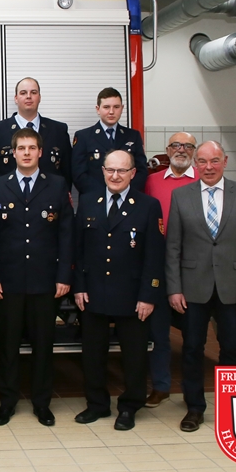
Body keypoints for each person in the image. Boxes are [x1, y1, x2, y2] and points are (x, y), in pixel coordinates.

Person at [166, 141, 236, 433]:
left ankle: (233, 408)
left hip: (234, 289)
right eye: (203, 161)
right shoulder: (181, 196)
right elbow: (173, 247)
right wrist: (174, 288)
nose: (208, 167)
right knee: (193, 349)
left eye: (215, 161)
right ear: (195, 163)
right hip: (192, 288)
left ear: (225, 161)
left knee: (231, 349)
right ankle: (194, 407)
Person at [0, 127, 73, 427]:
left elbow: (65, 235)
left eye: (31, 148)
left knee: (43, 346)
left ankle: (41, 403)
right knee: (7, 346)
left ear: (40, 152)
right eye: (20, 148)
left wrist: (63, 276)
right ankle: (7, 402)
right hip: (7, 283)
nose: (25, 152)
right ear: (12, 153)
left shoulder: (58, 185)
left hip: (45, 282)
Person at [73, 150, 165, 431]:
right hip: (93, 293)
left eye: (121, 171)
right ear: (102, 171)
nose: (115, 176)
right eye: (110, 170)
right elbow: (78, 249)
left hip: (132, 295)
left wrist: (149, 295)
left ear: (133, 173)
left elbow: (154, 256)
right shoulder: (88, 202)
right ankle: (97, 404)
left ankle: (129, 406)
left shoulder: (149, 206)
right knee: (92, 354)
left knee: (134, 356)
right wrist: (78, 287)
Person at [142, 131, 198, 409]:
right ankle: (161, 386)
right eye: (176, 145)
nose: (181, 150)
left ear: (194, 151)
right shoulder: (150, 182)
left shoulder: (204, 180)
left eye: (188, 146)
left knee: (192, 335)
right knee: (159, 333)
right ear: (167, 149)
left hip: (192, 269)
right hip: (159, 267)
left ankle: (192, 390)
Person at [0, 76, 72, 186]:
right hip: (8, 199)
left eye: (33, 92)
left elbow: (68, 172)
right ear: (16, 98)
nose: (28, 96)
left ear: (39, 97)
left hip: (49, 199)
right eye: (23, 93)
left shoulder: (58, 130)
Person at [72, 87, 148, 196]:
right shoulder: (83, 136)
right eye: (106, 107)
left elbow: (141, 171)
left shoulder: (133, 136)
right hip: (94, 200)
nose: (111, 112)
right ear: (98, 109)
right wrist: (106, 195)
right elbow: (78, 174)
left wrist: (124, 192)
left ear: (122, 108)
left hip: (127, 199)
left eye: (116, 107)